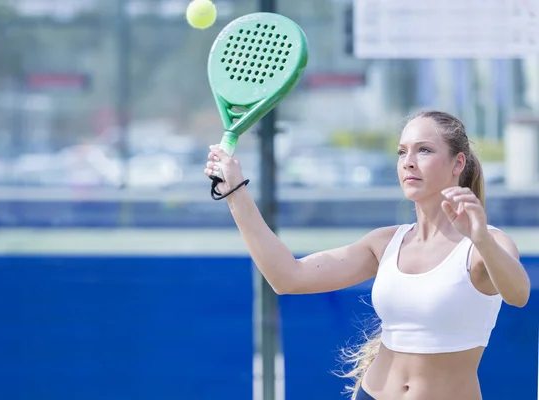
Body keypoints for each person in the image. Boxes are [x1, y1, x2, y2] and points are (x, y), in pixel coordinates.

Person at [203, 110, 531, 400]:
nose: (408, 161)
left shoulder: (486, 243)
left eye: (424, 150)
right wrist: (235, 193)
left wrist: (481, 239)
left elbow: (518, 294)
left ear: (458, 163)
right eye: (402, 152)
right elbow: (288, 276)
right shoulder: (385, 242)